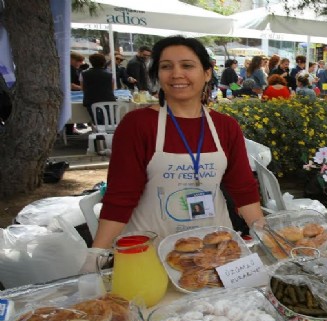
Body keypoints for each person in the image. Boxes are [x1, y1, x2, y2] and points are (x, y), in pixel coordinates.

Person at [91, 36, 263, 249]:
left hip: (215, 250)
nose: (176, 74)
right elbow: (120, 197)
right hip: (150, 251)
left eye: (187, 65)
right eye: (166, 66)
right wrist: (96, 254)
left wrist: (264, 235)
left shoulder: (225, 127)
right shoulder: (137, 124)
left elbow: (243, 189)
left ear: (207, 73)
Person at [81, 53, 116, 125]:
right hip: (108, 99)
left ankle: (99, 131)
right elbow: (112, 88)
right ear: (104, 62)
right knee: (109, 120)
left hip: (90, 100)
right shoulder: (110, 74)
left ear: (90, 62)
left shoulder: (84, 74)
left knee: (96, 121)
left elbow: (83, 88)